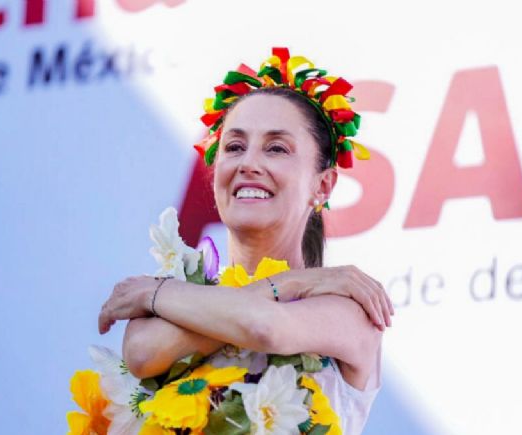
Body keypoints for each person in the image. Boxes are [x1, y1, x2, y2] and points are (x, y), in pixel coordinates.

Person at [98, 48, 394, 434]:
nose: (248, 164)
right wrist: (294, 282)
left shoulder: (348, 308)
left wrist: (149, 294)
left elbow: (265, 328)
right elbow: (140, 354)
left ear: (323, 184)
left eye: (276, 148)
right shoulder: (176, 294)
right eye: (235, 147)